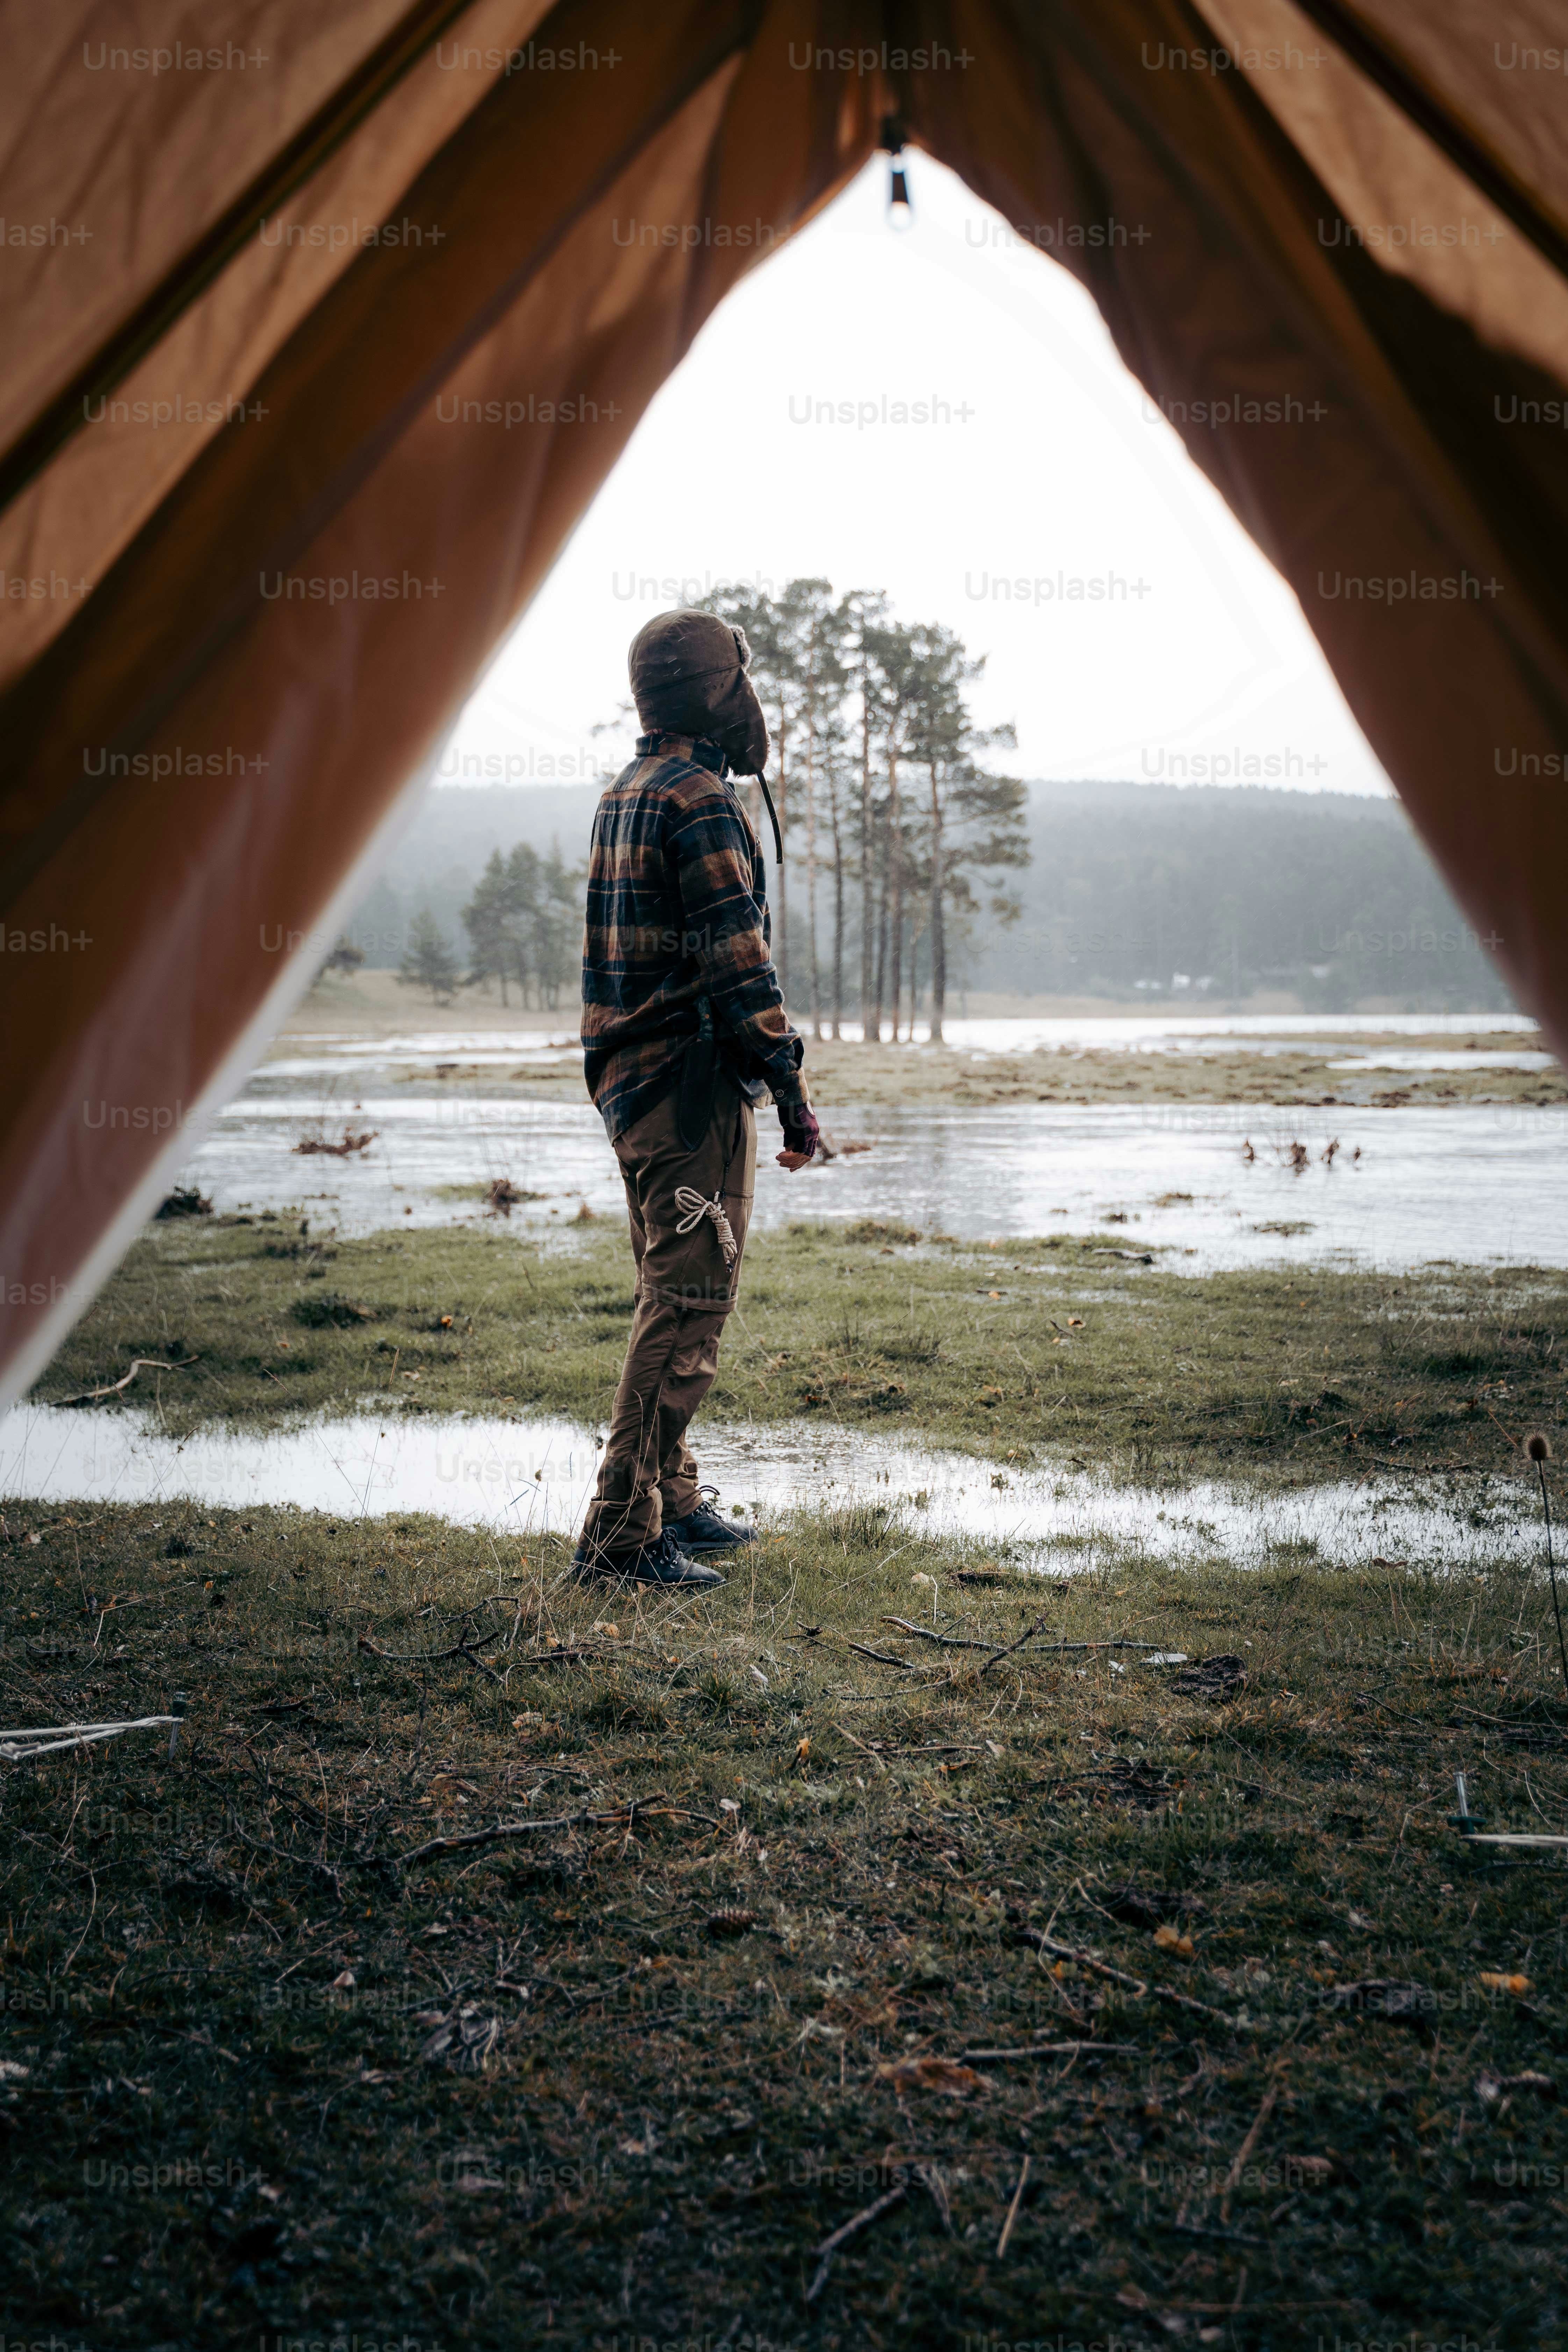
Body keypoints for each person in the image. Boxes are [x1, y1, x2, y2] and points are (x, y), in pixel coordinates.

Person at [574, 609, 820, 1589]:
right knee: (685, 1311)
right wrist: (792, 1092)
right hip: (689, 1096)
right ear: (720, 694)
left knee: (665, 1292)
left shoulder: (625, 792)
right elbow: (740, 970)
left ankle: (674, 1498)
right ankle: (620, 1537)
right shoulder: (703, 803)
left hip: (627, 1089)